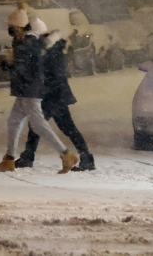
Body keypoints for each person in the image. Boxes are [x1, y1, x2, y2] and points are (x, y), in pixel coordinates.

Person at [0, 7, 79, 174]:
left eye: (11, 27)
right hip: (26, 89)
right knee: (14, 122)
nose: (10, 30)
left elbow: (22, 68)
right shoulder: (27, 42)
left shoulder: (28, 44)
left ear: (19, 27)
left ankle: (66, 154)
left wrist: (8, 62)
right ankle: (9, 159)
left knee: (39, 125)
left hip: (30, 89)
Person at [15, 18, 95, 171]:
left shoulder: (49, 49)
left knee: (42, 125)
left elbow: (52, 73)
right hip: (56, 95)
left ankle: (29, 157)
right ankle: (86, 158)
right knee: (63, 127)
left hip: (53, 95)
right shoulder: (50, 48)